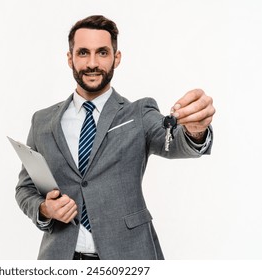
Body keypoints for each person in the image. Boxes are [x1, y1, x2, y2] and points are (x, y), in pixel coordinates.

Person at [15, 15, 215, 260]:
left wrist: (196, 131)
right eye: (83, 53)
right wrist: (45, 209)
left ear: (115, 58)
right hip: (60, 257)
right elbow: (25, 189)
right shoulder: (42, 121)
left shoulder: (138, 114)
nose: (92, 63)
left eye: (102, 52)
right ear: (70, 58)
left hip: (129, 255)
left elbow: (174, 143)